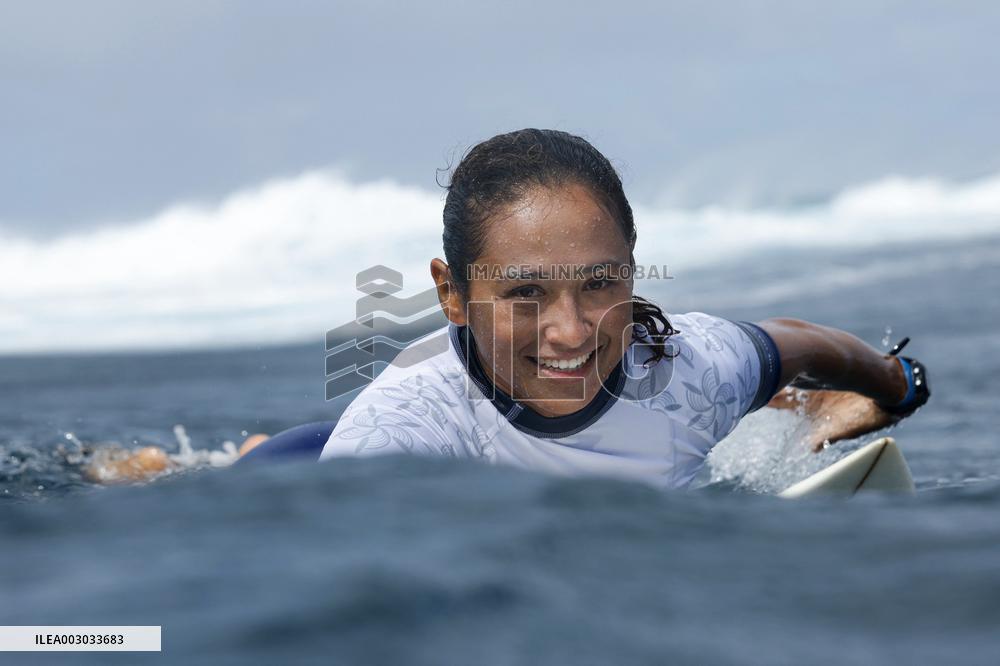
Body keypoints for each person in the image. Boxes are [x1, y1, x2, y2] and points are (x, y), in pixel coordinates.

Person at [96, 129, 931, 488]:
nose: (571, 331)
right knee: (258, 472)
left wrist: (895, 382)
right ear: (451, 294)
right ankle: (189, 463)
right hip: (322, 467)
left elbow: (801, 341)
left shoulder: (692, 367)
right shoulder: (397, 435)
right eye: (525, 294)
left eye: (600, 285)